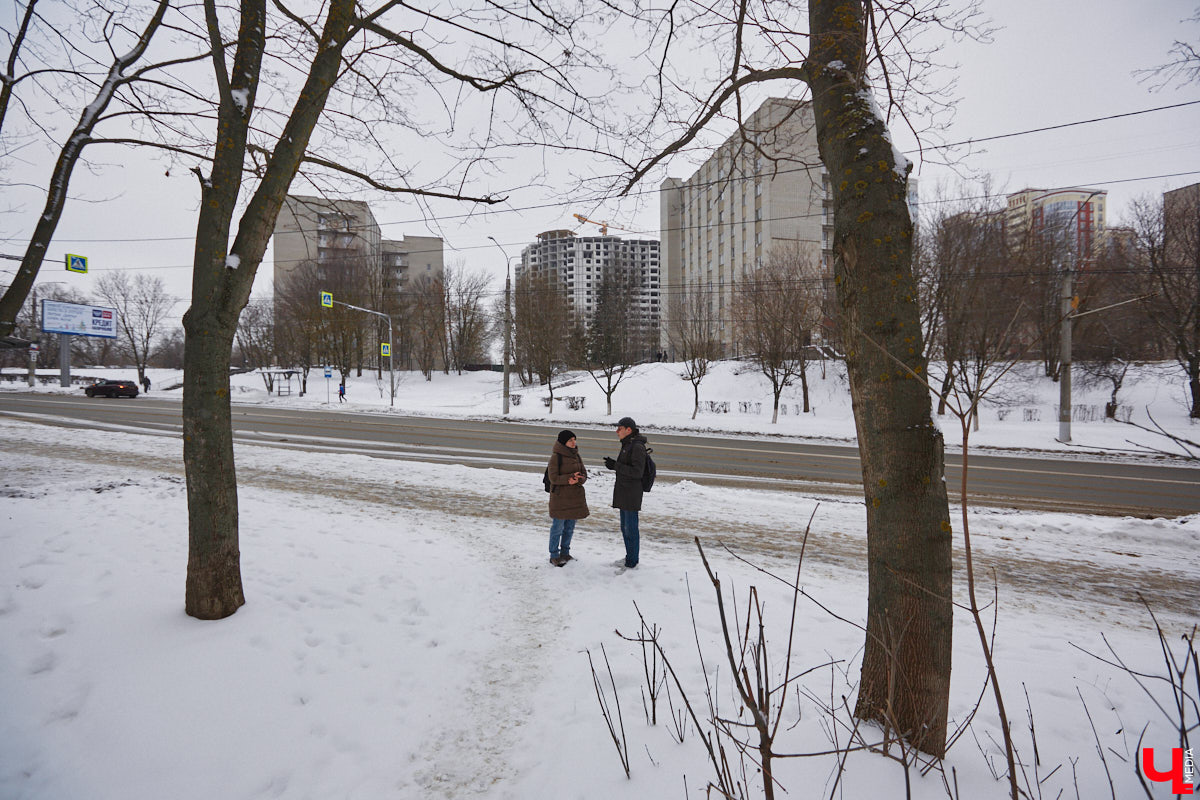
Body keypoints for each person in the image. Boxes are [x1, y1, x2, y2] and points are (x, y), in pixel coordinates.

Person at [603, 416, 647, 569]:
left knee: (631, 529)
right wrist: (614, 465)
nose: (617, 431)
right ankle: (630, 557)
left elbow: (637, 472)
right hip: (624, 492)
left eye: (619, 428)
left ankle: (632, 562)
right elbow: (625, 467)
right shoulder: (628, 444)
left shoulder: (637, 447)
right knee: (625, 528)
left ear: (629, 430)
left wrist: (616, 465)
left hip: (631, 494)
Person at [547, 429, 588, 567]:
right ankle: (554, 555)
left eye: (574, 439)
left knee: (569, 528)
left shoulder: (577, 455)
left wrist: (580, 479)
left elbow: (584, 473)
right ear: (564, 442)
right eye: (570, 440)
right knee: (557, 528)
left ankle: (565, 553)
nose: (573, 442)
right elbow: (553, 477)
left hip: (574, 498)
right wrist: (568, 479)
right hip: (560, 499)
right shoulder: (556, 457)